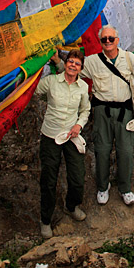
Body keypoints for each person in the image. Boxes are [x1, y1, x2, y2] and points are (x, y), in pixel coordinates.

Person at [81, 24, 134, 206]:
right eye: (104, 39)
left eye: (111, 38)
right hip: (102, 112)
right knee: (102, 150)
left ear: (117, 40)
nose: (108, 42)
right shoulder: (92, 61)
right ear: (100, 42)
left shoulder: (129, 59)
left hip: (125, 112)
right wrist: (57, 61)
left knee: (125, 151)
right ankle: (103, 187)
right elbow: (73, 69)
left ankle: (125, 188)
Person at [36, 49, 90, 239]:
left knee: (77, 176)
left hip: (71, 136)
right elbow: (33, 91)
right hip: (50, 136)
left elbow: (85, 110)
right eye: (71, 62)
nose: (73, 65)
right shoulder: (51, 82)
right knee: (49, 180)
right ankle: (45, 221)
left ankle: (72, 206)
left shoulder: (83, 87)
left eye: (77, 63)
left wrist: (78, 124)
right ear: (65, 63)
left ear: (81, 68)